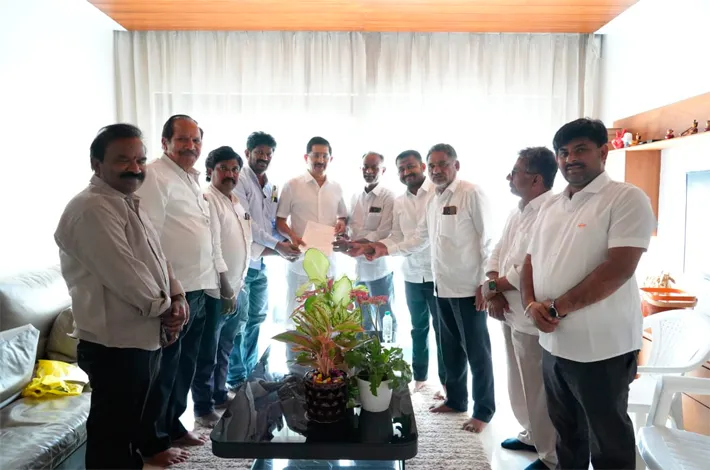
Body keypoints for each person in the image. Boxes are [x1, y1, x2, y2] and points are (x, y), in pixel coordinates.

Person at [521, 118, 655, 470]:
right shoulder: (551, 204)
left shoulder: (626, 198)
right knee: (567, 436)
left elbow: (619, 268)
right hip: (553, 343)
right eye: (563, 152)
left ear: (603, 152)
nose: (570, 159)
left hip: (601, 348)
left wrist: (556, 308)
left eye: (580, 149)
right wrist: (530, 304)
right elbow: (529, 261)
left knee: (608, 442)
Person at [54, 124, 188, 469]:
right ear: (96, 164)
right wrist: (168, 310)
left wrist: (177, 295)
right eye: (123, 160)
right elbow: (126, 275)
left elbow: (159, 257)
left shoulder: (128, 202)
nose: (135, 168)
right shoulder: (91, 209)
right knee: (111, 436)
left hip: (140, 337)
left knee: (129, 426)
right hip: (114, 343)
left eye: (140, 160)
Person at [357, 143, 495, 433]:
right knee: (450, 350)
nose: (436, 170)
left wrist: (486, 282)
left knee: (477, 352)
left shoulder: (470, 192)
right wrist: (383, 249)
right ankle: (456, 400)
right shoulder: (434, 199)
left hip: (469, 288)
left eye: (442, 164)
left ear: (456, 165)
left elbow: (488, 240)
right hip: (440, 286)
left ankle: (483, 411)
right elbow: (420, 238)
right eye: (432, 165)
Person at [136, 114, 223, 465]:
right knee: (164, 370)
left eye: (196, 140)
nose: (191, 146)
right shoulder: (154, 176)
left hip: (199, 287)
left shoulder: (189, 178)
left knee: (184, 367)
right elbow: (148, 238)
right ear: (165, 142)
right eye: (183, 139)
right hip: (174, 291)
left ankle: (173, 425)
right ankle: (153, 443)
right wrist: (170, 293)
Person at [482, 147, 558, 470]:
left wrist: (493, 288)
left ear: (536, 179)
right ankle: (530, 435)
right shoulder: (519, 209)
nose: (509, 177)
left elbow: (529, 265)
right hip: (508, 310)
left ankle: (550, 456)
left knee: (537, 388)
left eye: (515, 172)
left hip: (529, 314)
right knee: (517, 380)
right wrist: (492, 286)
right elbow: (499, 250)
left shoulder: (552, 210)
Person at [227, 132, 300, 388]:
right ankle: (236, 378)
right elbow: (248, 225)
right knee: (239, 323)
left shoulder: (272, 187)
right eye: (259, 152)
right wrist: (280, 247)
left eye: (269, 153)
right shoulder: (239, 181)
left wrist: (292, 241)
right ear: (247, 153)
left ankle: (251, 373)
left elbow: (272, 224)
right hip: (242, 264)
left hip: (261, 265)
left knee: (257, 320)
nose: (264, 157)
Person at [191, 146, 252, 427]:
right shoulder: (208, 199)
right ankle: (203, 408)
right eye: (224, 169)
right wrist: (226, 289)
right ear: (210, 171)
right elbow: (213, 248)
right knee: (208, 350)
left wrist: (236, 287)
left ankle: (218, 394)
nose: (230, 174)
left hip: (236, 287)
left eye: (235, 169)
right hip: (217, 291)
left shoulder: (234, 200)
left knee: (225, 346)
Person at [389, 150, 445, 393]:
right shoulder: (398, 202)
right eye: (401, 169)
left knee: (443, 332)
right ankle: (420, 378)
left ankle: (447, 383)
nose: (406, 172)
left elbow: (426, 237)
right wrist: (374, 247)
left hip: (437, 275)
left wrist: (383, 250)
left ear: (422, 166)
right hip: (411, 275)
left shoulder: (437, 193)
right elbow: (395, 236)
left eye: (410, 166)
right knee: (418, 329)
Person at [276, 136, 348, 319]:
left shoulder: (337, 187)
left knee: (328, 317)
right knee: (296, 316)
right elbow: (280, 221)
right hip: (299, 261)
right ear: (306, 157)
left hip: (328, 262)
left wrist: (341, 223)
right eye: (316, 155)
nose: (320, 160)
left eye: (325, 156)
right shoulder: (292, 185)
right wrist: (292, 236)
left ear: (330, 159)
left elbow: (342, 216)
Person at [344, 151, 396, 338]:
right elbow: (350, 227)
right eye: (366, 167)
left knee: (385, 317)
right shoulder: (355, 196)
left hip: (379, 270)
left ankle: (387, 353)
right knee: (362, 320)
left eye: (374, 167)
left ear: (383, 170)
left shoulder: (388, 197)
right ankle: (363, 355)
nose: (369, 171)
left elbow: (384, 231)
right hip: (358, 270)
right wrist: (344, 235)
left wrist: (356, 243)